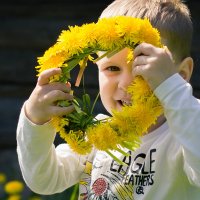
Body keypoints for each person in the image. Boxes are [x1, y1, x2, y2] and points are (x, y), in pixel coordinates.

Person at [17, 0, 200, 199]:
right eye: (112, 68)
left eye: (145, 69)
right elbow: (43, 180)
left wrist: (171, 89)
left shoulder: (186, 135)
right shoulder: (96, 136)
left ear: (180, 76)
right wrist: (35, 120)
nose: (126, 84)